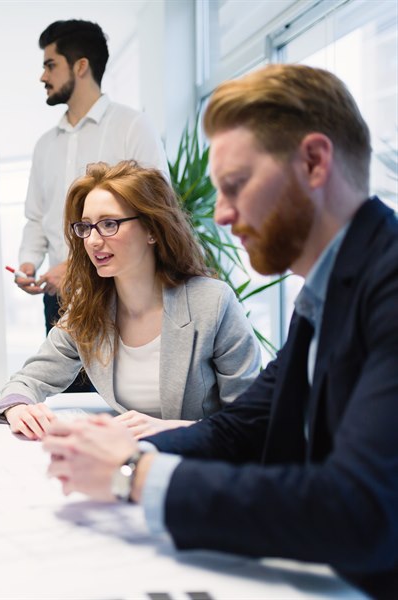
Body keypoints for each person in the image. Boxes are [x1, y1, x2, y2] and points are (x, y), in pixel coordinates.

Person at [43, 64, 398, 597]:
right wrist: (122, 449)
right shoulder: (327, 288)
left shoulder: (388, 284)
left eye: (236, 186)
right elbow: (244, 425)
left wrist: (134, 475)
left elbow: (357, 509)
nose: (225, 215)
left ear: (314, 161)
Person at [0, 161, 260, 440]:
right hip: (128, 461)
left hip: (200, 466)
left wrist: (174, 428)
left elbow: (252, 420)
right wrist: (18, 407)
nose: (93, 240)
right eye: (86, 227)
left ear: (153, 230)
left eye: (109, 224)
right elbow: (28, 379)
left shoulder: (212, 303)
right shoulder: (90, 307)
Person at [14, 19, 169, 341]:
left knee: (118, 391)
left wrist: (75, 265)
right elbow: (36, 216)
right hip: (59, 299)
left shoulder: (132, 126)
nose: (43, 76)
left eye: (51, 65)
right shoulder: (45, 144)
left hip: (119, 294)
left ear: (81, 66)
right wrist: (28, 263)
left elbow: (157, 210)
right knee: (63, 391)